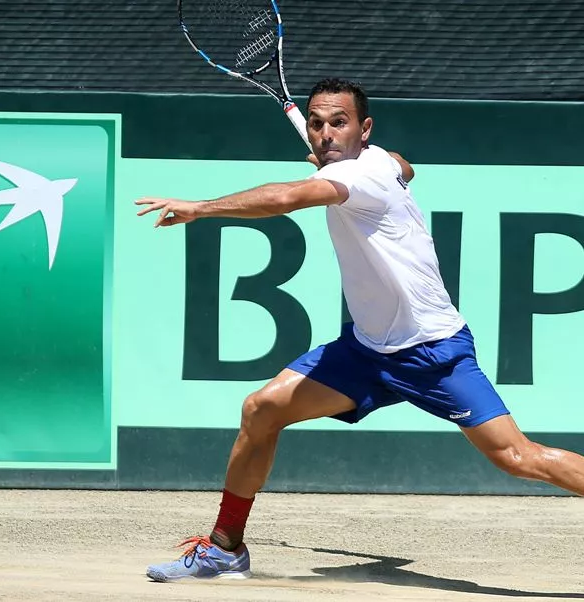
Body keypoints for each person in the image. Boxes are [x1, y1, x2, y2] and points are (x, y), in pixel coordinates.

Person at [134, 78, 584, 583]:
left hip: (432, 352)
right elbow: (404, 164)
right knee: (261, 409)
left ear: (363, 127)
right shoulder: (381, 165)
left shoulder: (360, 178)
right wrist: (349, 162)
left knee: (516, 456)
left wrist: (201, 208)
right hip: (367, 351)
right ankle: (224, 548)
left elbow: (285, 197)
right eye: (317, 124)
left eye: (339, 123)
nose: (326, 132)